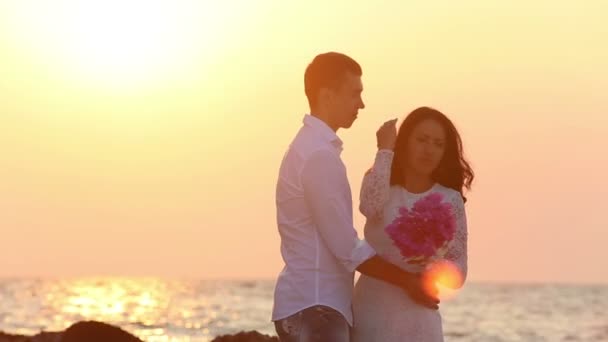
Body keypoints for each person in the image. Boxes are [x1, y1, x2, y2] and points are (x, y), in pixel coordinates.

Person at [271, 53, 439, 342]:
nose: (361, 103)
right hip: (316, 307)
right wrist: (407, 281)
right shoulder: (319, 156)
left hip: (311, 305)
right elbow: (346, 247)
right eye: (354, 93)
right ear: (327, 95)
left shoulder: (310, 148)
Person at [352, 106, 474, 341]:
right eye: (422, 140)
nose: (429, 150)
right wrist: (385, 150)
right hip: (371, 311)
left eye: (438, 144)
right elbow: (369, 206)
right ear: (405, 141)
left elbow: (459, 270)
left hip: (419, 316)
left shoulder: (450, 199)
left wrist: (431, 270)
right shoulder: (380, 183)